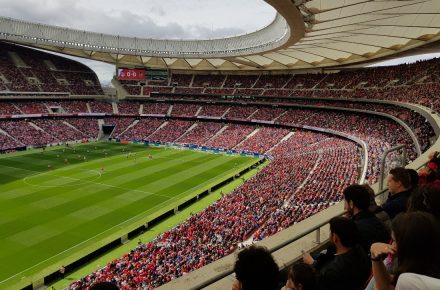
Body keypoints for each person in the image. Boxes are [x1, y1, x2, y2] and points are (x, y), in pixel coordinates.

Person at [370, 211, 440, 290]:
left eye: (394, 240)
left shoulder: (408, 279)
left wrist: (374, 254)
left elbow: (383, 287)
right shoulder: (428, 267)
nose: (391, 244)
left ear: (408, 246)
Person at [303, 217, 370, 290]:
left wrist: (313, 265)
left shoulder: (330, 273)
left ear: (335, 237)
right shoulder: (360, 249)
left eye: (330, 231)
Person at [343, 184, 390, 252]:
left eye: (345, 201)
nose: (344, 206)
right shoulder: (377, 220)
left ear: (351, 204)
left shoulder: (353, 228)